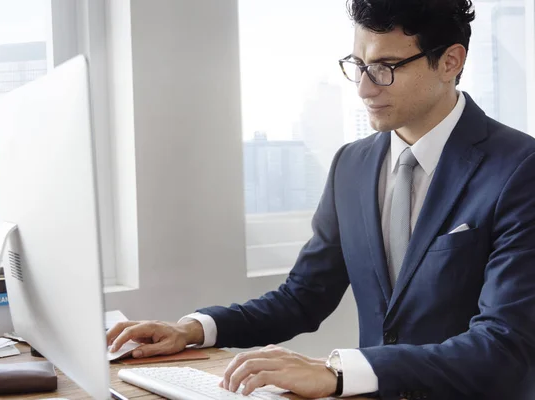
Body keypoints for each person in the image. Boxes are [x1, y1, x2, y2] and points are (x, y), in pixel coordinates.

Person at [107, 0, 535, 398]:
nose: (365, 89)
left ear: (450, 62)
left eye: (387, 67)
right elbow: (303, 296)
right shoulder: (352, 164)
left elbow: (504, 344)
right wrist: (194, 328)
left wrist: (338, 372)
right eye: (359, 65)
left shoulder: (520, 168)